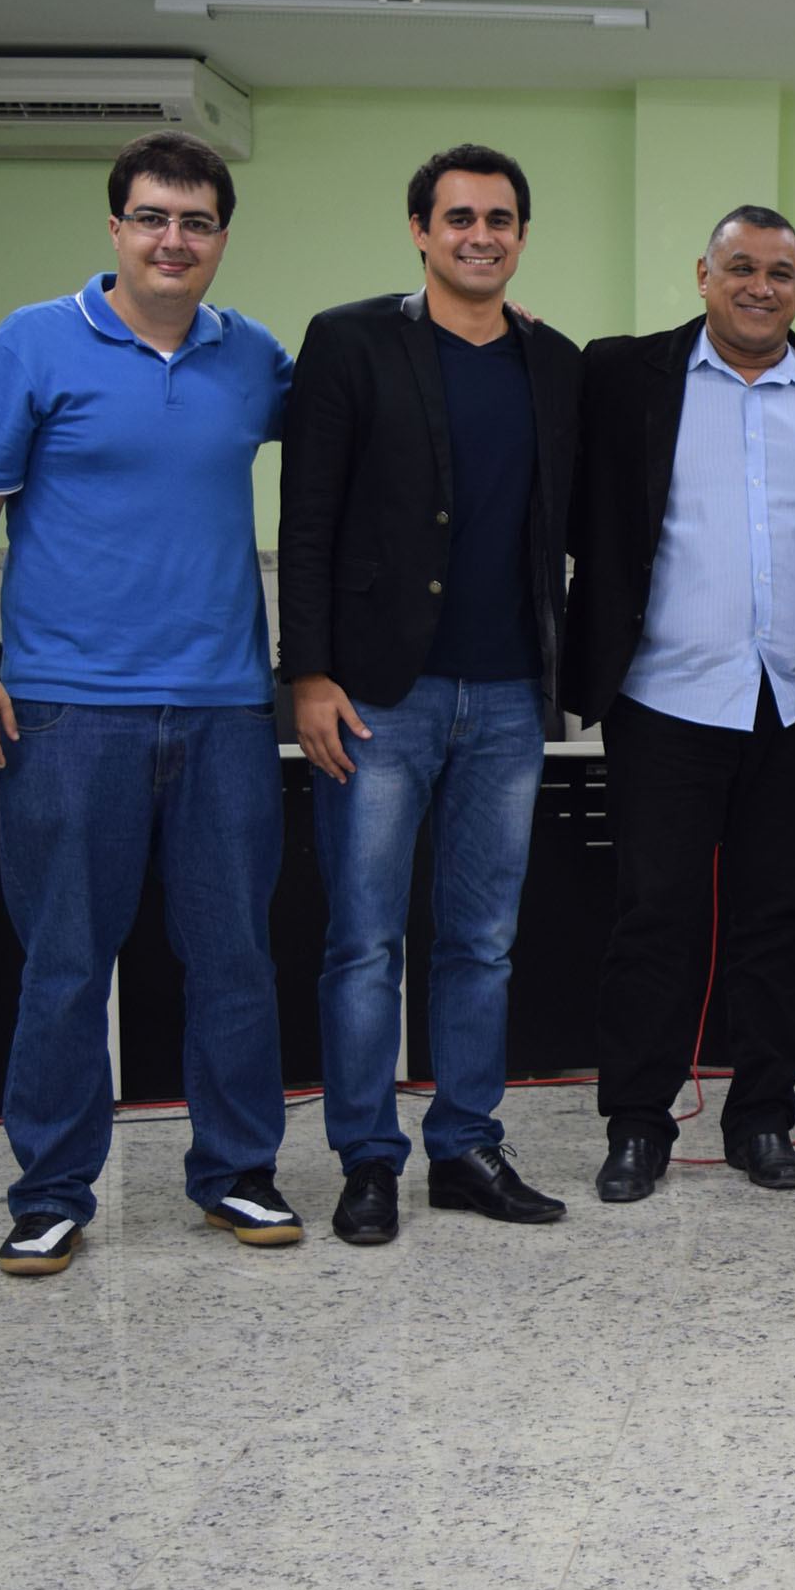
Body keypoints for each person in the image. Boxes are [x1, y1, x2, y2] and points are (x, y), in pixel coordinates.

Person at [0, 130, 300, 1274]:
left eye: (196, 222)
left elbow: (365, 417)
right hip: (66, 711)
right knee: (64, 963)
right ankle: (51, 1192)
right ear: (115, 227)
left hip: (225, 709)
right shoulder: (32, 342)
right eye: (152, 217)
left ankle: (237, 1172)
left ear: (222, 238)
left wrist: (482, 324)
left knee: (235, 957)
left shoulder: (253, 358)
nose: (172, 240)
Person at [279, 143, 581, 1244]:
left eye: (500, 219)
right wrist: (308, 673)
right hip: (376, 697)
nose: (480, 236)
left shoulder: (555, 363)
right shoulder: (350, 340)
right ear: (420, 230)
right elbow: (307, 517)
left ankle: (464, 1148)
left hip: (508, 698)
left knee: (481, 941)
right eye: (459, 218)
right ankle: (367, 1159)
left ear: (522, 236)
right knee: (363, 942)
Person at [562, 206, 795, 1200]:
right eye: (740, 267)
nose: (759, 287)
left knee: (776, 916)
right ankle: (637, 1123)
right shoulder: (624, 373)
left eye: (780, 272)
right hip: (666, 694)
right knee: (655, 915)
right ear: (703, 275)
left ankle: (763, 1118)